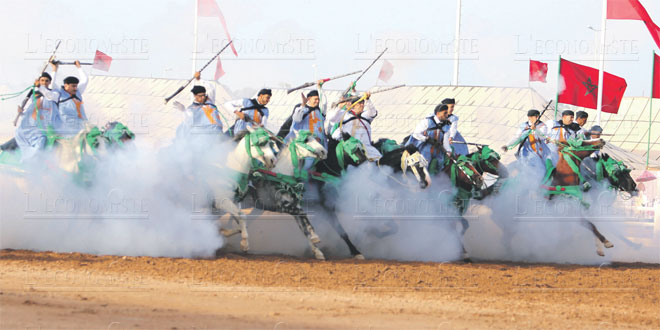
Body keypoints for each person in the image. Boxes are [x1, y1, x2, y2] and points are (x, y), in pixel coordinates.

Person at [14, 74, 60, 161]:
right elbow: (29, 111)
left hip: (47, 126)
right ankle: (25, 159)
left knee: (41, 141)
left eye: (47, 81)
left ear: (50, 82)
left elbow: (49, 95)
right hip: (32, 125)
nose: (44, 82)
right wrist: (21, 112)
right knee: (18, 133)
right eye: (42, 80)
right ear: (39, 81)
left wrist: (39, 86)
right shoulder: (33, 94)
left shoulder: (55, 93)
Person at [327, 93, 381, 160]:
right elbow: (331, 117)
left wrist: (367, 100)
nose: (362, 105)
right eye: (359, 104)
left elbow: (373, 113)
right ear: (353, 106)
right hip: (350, 147)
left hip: (367, 147)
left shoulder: (366, 115)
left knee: (379, 160)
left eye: (363, 103)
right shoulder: (345, 115)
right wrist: (339, 107)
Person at [172, 71, 223, 141]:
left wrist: (199, 79)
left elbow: (211, 88)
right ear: (195, 96)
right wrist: (183, 110)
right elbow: (188, 121)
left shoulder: (209, 101)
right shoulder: (191, 108)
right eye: (200, 96)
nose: (203, 98)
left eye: (204, 95)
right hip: (205, 136)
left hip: (217, 132)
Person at [405, 103, 452, 174]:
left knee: (440, 166)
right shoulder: (426, 122)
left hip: (438, 151)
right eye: (444, 113)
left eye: (447, 113)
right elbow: (416, 134)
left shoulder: (446, 126)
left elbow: (445, 141)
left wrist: (448, 151)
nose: (447, 115)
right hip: (426, 150)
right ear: (438, 113)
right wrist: (426, 139)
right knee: (423, 167)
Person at [285, 81, 327, 147]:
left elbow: (324, 102)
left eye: (318, 99)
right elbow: (296, 119)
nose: (318, 101)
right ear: (309, 99)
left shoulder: (320, 111)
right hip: (304, 143)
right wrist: (303, 104)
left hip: (319, 144)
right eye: (315, 99)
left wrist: (320, 88)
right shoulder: (301, 109)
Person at [52, 60, 88, 136]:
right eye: (73, 86)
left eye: (76, 86)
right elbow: (51, 85)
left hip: (82, 126)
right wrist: (55, 69)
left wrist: (78, 67)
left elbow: (85, 80)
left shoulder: (77, 92)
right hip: (67, 129)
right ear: (66, 85)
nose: (75, 88)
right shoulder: (58, 94)